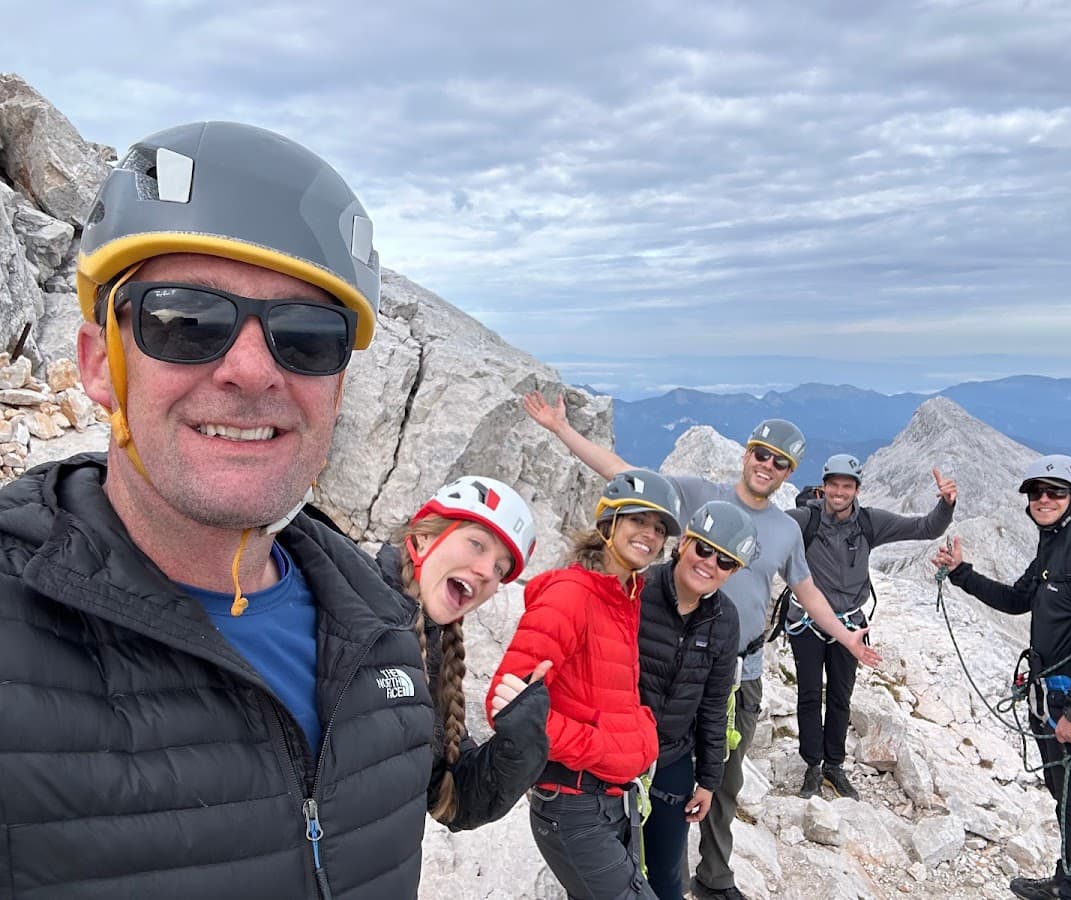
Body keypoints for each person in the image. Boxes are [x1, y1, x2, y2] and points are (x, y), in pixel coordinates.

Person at [0, 121, 436, 899]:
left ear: (336, 391)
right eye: (184, 321)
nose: (249, 369)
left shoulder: (385, 640)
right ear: (101, 364)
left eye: (305, 337)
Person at [523, 391, 882, 900]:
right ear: (747, 454)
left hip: (739, 667)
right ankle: (615, 865)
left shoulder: (784, 530)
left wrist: (846, 637)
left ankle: (711, 876)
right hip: (661, 655)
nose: (768, 466)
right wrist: (562, 429)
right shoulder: (698, 495)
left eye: (781, 463)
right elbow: (628, 476)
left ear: (788, 474)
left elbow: (806, 590)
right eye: (762, 453)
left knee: (717, 782)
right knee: (639, 760)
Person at [932, 454, 1071, 900]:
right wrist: (962, 574)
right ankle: (1066, 878)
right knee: (1065, 797)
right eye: (1036, 492)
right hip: (1048, 697)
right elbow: (1018, 599)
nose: (1043, 499)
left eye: (1055, 492)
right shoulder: (1052, 552)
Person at [486, 469, 683, 899]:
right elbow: (507, 707)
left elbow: (609, 693)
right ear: (608, 524)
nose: (649, 535)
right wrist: (602, 746)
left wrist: (638, 731)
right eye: (638, 521)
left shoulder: (623, 597)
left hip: (608, 801)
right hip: (574, 805)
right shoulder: (570, 596)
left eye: (659, 529)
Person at [377, 476, 552, 829]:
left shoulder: (434, 653)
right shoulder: (346, 604)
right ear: (424, 537)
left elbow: (455, 801)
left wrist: (521, 740)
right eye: (476, 544)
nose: (488, 571)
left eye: (501, 569)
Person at [787, 454, 957, 801]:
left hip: (851, 624)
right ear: (823, 488)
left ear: (856, 489)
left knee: (839, 696)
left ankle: (834, 765)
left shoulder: (869, 523)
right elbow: (767, 529)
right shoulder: (805, 520)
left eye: (846, 485)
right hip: (807, 621)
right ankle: (813, 766)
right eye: (833, 485)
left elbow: (926, 528)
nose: (838, 491)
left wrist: (946, 504)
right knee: (808, 695)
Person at [637, 501, 753, 900]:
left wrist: (708, 780)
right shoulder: (638, 591)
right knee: (607, 869)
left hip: (671, 758)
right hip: (614, 756)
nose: (709, 564)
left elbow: (714, 705)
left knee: (667, 876)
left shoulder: (725, 619)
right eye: (703, 549)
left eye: (724, 561)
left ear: (733, 571)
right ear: (684, 542)